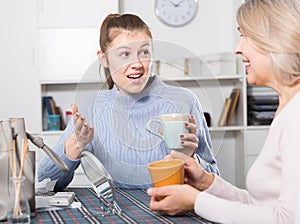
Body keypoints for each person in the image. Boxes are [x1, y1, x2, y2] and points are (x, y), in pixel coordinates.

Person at [147, 0, 300, 223]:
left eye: (245, 35)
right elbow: (260, 207)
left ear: (275, 38)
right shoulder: (286, 109)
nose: (237, 48)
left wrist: (196, 201)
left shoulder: (297, 116)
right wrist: (206, 183)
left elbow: (288, 219)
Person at [38, 13, 219, 190]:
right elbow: (44, 184)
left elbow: (214, 178)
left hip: (173, 211)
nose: (137, 63)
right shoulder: (91, 108)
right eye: (125, 54)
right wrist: (72, 150)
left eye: (144, 52)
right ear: (104, 59)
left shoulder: (183, 101)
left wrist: (191, 160)